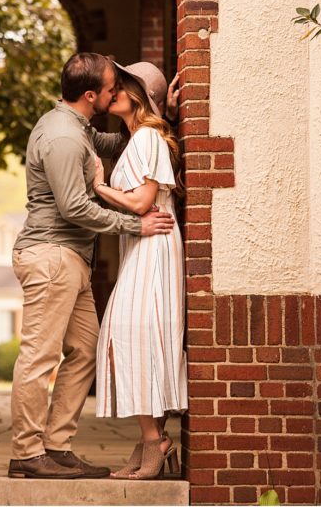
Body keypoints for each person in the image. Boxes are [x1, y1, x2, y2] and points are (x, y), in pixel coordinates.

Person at [8, 53, 176, 479]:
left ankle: (57, 445)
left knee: (85, 350)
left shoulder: (79, 129)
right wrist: (135, 224)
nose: (113, 91)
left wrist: (160, 112)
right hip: (50, 256)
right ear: (90, 95)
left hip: (71, 259)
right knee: (39, 356)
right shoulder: (63, 137)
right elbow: (75, 206)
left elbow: (125, 141)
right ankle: (27, 453)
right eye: (109, 87)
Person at [91, 62, 189, 480]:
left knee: (131, 333)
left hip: (154, 243)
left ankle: (155, 441)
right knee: (143, 337)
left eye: (121, 85)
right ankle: (152, 438)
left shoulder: (147, 136)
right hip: (143, 245)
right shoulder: (141, 136)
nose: (111, 90)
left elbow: (142, 202)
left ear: (137, 94)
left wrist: (100, 187)